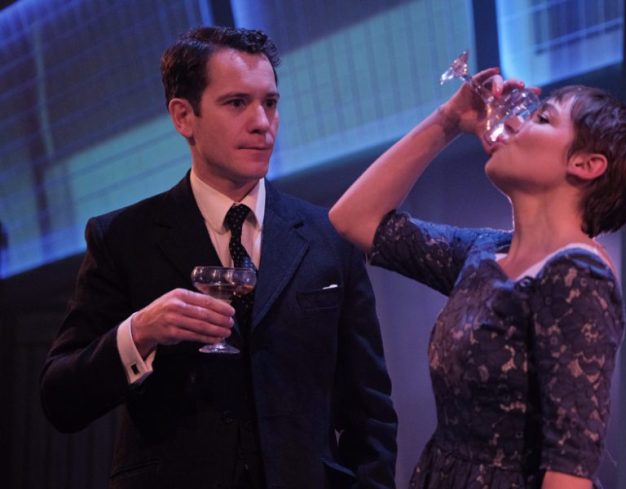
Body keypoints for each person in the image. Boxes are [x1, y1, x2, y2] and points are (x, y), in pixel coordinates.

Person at [40, 26, 397, 489]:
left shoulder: (330, 236)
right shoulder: (122, 238)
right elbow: (60, 399)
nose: (262, 123)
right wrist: (139, 332)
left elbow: (371, 413)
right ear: (183, 116)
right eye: (237, 103)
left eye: (270, 103)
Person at [329, 68, 626, 488]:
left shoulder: (577, 277)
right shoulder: (486, 252)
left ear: (585, 164)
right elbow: (353, 218)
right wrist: (448, 121)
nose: (513, 122)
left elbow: (569, 471)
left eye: (542, 118)